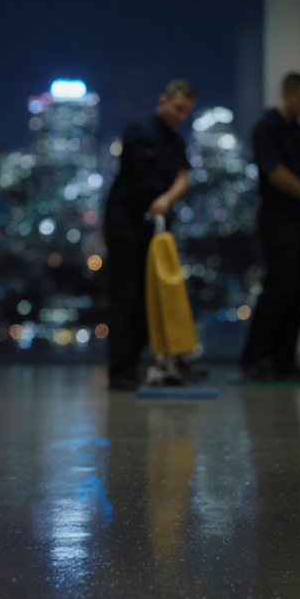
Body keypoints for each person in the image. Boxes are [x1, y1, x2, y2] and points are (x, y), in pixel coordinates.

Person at [103, 80, 196, 391]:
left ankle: (146, 363)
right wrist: (162, 196)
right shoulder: (137, 130)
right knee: (126, 294)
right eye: (178, 108)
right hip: (125, 223)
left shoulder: (176, 141)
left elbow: (183, 177)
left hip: (155, 226)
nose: (181, 116)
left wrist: (166, 199)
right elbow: (143, 176)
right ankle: (120, 370)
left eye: (186, 112)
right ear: (163, 101)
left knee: (152, 295)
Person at [241, 72, 300, 381]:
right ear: (288, 93)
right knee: (280, 285)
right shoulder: (267, 128)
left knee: (299, 287)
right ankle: (256, 358)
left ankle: (284, 359)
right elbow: (276, 174)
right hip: (277, 219)